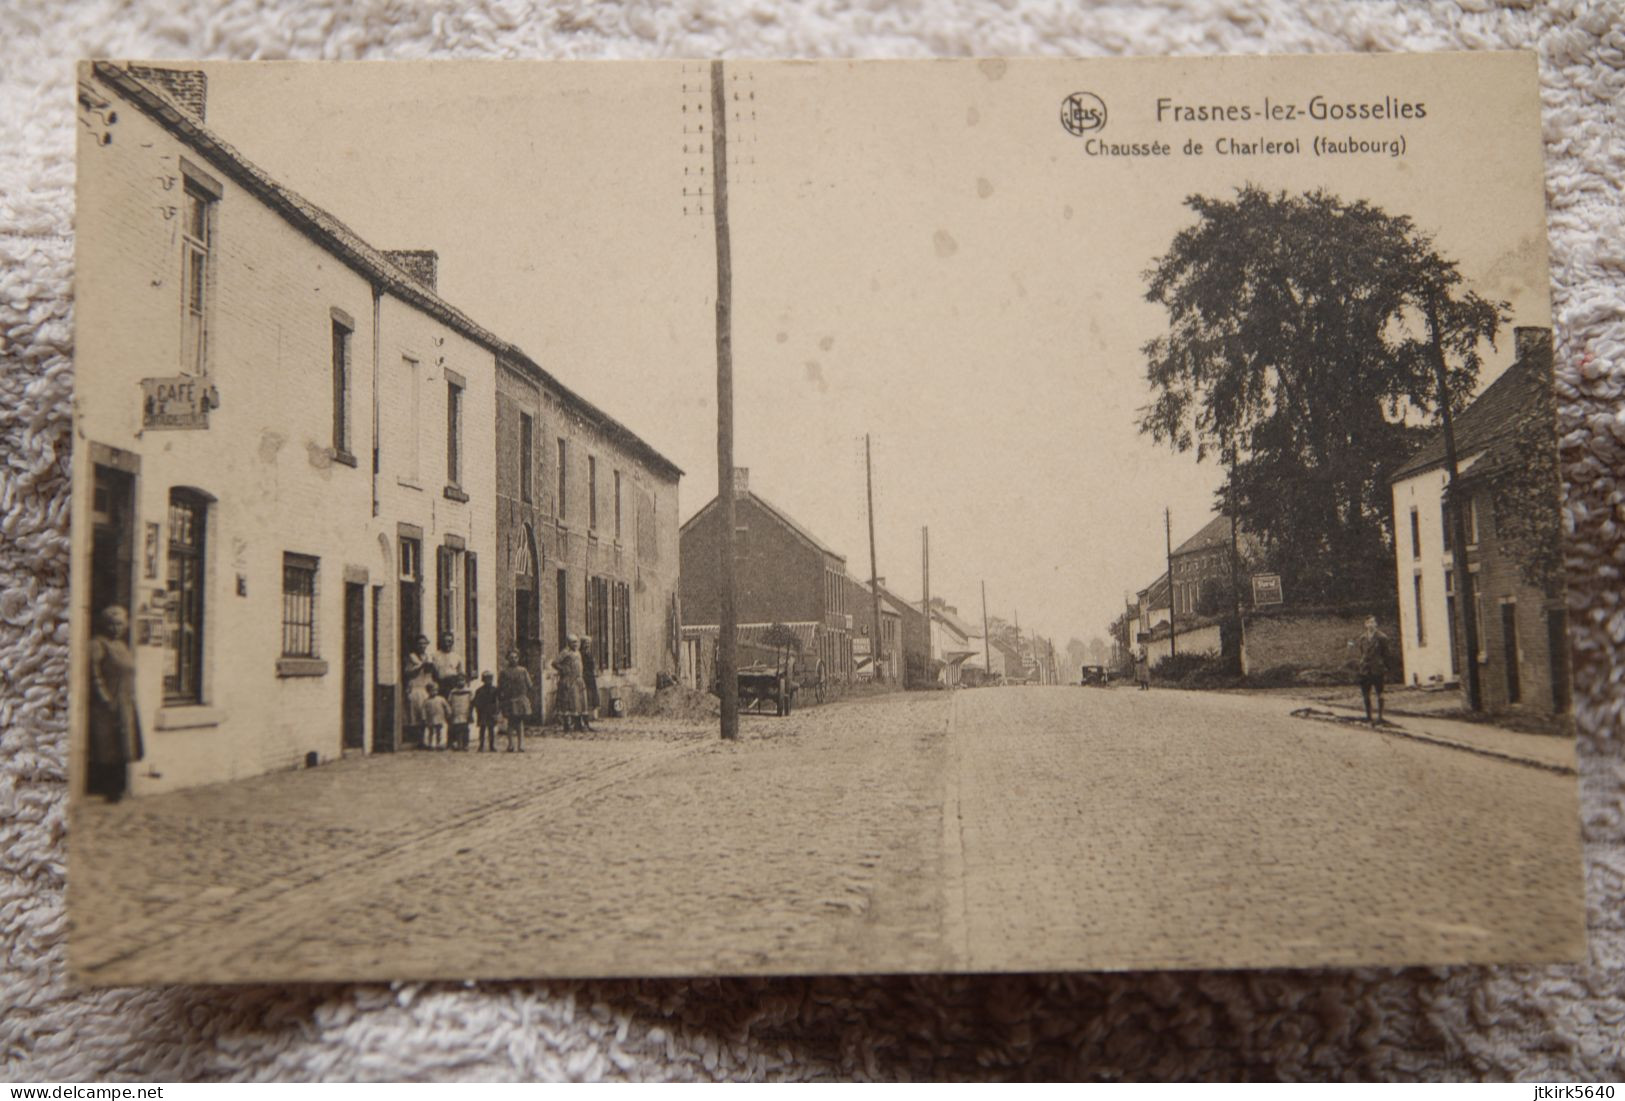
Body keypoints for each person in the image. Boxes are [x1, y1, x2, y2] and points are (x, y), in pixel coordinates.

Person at [87, 605, 142, 801]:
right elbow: (94, 675)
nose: (115, 628)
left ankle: (119, 788)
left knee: (123, 744)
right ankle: (108, 789)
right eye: (111, 624)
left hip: (125, 701)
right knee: (107, 747)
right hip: (108, 704)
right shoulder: (98, 644)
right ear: (104, 625)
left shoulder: (122, 646)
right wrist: (104, 698)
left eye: (119, 624)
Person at [1350, 615, 1393, 724]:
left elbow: (1386, 655)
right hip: (1365, 669)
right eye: (1368, 622)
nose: (1371, 625)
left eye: (1373, 622)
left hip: (1377, 669)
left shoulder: (1382, 637)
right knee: (1365, 694)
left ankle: (1380, 716)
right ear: (1365, 624)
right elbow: (1362, 652)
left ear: (1376, 624)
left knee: (1380, 693)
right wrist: (1362, 664)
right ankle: (1368, 716)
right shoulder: (1362, 638)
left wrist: (1386, 668)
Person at [403, 635, 437, 749]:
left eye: (424, 643)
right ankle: (418, 741)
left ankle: (427, 740)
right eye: (420, 643)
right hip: (416, 686)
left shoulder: (429, 657)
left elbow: (432, 673)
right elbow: (408, 672)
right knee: (416, 714)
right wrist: (421, 665)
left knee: (427, 715)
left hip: (427, 687)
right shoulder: (412, 657)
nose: (422, 646)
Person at [498, 649, 534, 752]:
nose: (513, 659)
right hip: (509, 699)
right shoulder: (504, 672)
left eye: (515, 657)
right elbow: (500, 686)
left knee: (519, 722)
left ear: (518, 658)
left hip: (520, 698)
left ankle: (521, 744)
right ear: (507, 659)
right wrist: (502, 697)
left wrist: (527, 695)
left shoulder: (523, 670)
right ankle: (510, 744)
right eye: (511, 657)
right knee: (510, 722)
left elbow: (529, 684)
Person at [553, 635, 586, 732]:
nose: (575, 644)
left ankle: (578, 724)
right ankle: (566, 725)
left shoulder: (578, 653)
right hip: (569, 680)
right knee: (568, 703)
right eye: (573, 642)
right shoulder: (565, 652)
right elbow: (555, 662)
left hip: (578, 680)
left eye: (576, 642)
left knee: (579, 703)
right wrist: (563, 669)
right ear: (568, 643)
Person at [473, 671, 500, 753]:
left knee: (491, 729)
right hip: (482, 711)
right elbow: (476, 701)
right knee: (482, 729)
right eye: (486, 679)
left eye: (490, 679)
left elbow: (497, 701)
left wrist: (496, 711)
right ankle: (481, 745)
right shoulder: (479, 690)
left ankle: (492, 746)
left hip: (491, 711)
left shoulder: (495, 690)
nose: (488, 681)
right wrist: (478, 709)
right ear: (483, 680)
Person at [447, 675, 474, 751]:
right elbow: (450, 702)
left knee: (465, 729)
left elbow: (471, 702)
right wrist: (450, 712)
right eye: (459, 680)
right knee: (457, 729)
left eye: (462, 680)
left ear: (465, 681)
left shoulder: (469, 691)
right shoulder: (453, 691)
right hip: (456, 712)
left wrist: (470, 713)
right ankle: (458, 744)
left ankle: (465, 745)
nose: (460, 682)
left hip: (465, 712)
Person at [579, 635, 600, 731]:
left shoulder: (588, 653)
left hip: (590, 678)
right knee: (584, 700)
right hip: (584, 678)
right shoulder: (580, 654)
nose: (587, 645)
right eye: (585, 643)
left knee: (590, 700)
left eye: (588, 644)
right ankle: (582, 722)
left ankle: (587, 721)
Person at [423, 681, 451, 750]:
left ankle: (439, 744)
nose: (434, 692)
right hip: (431, 718)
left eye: (435, 690)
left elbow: (446, 706)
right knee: (431, 732)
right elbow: (423, 710)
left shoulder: (441, 699)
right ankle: (431, 744)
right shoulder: (426, 701)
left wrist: (448, 712)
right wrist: (424, 717)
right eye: (432, 691)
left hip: (440, 717)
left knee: (439, 731)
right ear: (428, 691)